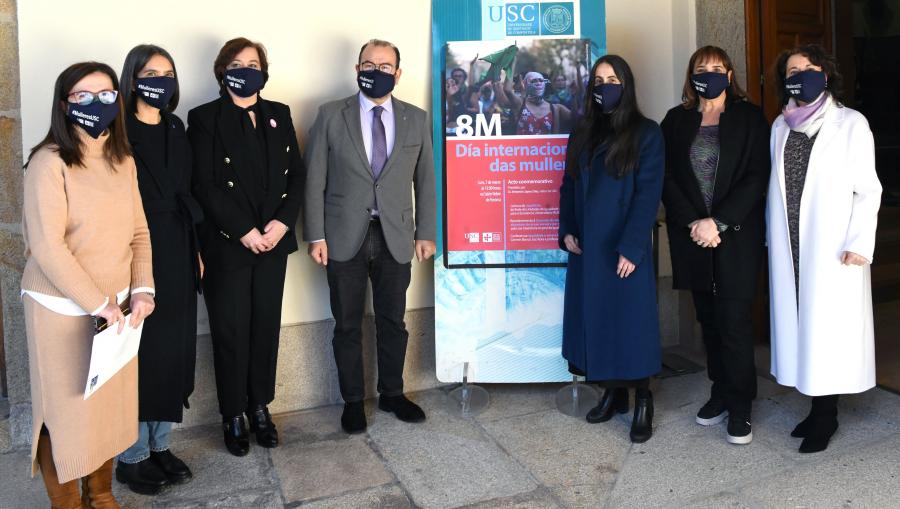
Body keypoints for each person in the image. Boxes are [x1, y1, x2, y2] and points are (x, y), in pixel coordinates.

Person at [22, 61, 155, 508]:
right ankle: (67, 502)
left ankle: (100, 494)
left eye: (105, 94)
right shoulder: (48, 162)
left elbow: (139, 232)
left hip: (116, 308)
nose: (96, 104)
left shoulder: (123, 161)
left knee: (107, 406)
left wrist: (142, 290)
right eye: (82, 96)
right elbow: (46, 245)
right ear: (64, 104)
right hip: (60, 307)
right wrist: (97, 302)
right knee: (64, 413)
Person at [304, 39, 437, 434]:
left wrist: (425, 232)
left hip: (396, 235)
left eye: (384, 65)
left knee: (393, 321)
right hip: (343, 236)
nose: (375, 70)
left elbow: (426, 181)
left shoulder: (416, 118)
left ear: (398, 73)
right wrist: (315, 235)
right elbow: (314, 181)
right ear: (356, 68)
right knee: (347, 324)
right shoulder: (331, 114)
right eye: (368, 63)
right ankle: (352, 402)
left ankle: (393, 393)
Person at [187, 37, 304, 457]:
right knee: (231, 332)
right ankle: (232, 413)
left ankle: (260, 407)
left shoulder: (279, 114)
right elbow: (204, 184)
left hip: (273, 241)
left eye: (253, 62)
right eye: (236, 63)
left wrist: (281, 222)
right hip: (228, 245)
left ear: (263, 69)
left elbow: (297, 176)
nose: (245, 69)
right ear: (222, 71)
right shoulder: (203, 118)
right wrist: (243, 231)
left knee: (264, 328)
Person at [767, 44, 881, 453]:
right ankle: (815, 406)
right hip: (792, 241)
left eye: (808, 68)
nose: (799, 75)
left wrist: (858, 242)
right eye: (792, 70)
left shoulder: (851, 123)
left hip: (832, 245)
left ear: (825, 75)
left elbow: (868, 189)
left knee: (826, 329)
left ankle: (825, 415)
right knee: (803, 325)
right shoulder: (780, 126)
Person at [661, 46, 770, 445]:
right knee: (708, 322)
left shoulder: (750, 118)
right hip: (693, 237)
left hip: (734, 236)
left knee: (735, 323)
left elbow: (757, 177)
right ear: (691, 76)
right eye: (701, 69)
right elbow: (667, 176)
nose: (709, 74)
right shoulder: (675, 120)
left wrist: (718, 221)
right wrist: (695, 221)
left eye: (717, 68)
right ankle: (719, 391)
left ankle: (741, 405)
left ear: (729, 73)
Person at [559, 55, 665, 443]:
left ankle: (643, 400)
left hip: (623, 246)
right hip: (589, 247)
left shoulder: (647, 133)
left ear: (627, 84)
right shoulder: (582, 132)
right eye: (598, 80)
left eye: (613, 78)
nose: (605, 86)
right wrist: (567, 228)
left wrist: (632, 247)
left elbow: (647, 194)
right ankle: (613, 394)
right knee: (599, 323)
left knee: (631, 327)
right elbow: (568, 185)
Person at [114, 44, 201, 494]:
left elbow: (186, 188)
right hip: (135, 250)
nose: (160, 81)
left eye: (168, 73)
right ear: (132, 79)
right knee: (139, 354)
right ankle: (131, 455)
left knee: (174, 351)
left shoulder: (175, 125)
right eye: (151, 73)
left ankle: (161, 443)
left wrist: (197, 250)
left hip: (179, 246)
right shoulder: (116, 130)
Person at [496, 70, 572, 135]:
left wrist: (576, 95)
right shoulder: (520, 104)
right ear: (525, 85)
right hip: (523, 150)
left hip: (548, 151)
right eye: (533, 81)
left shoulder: (555, 108)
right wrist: (511, 63)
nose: (538, 83)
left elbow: (578, 118)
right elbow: (507, 91)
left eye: (541, 80)